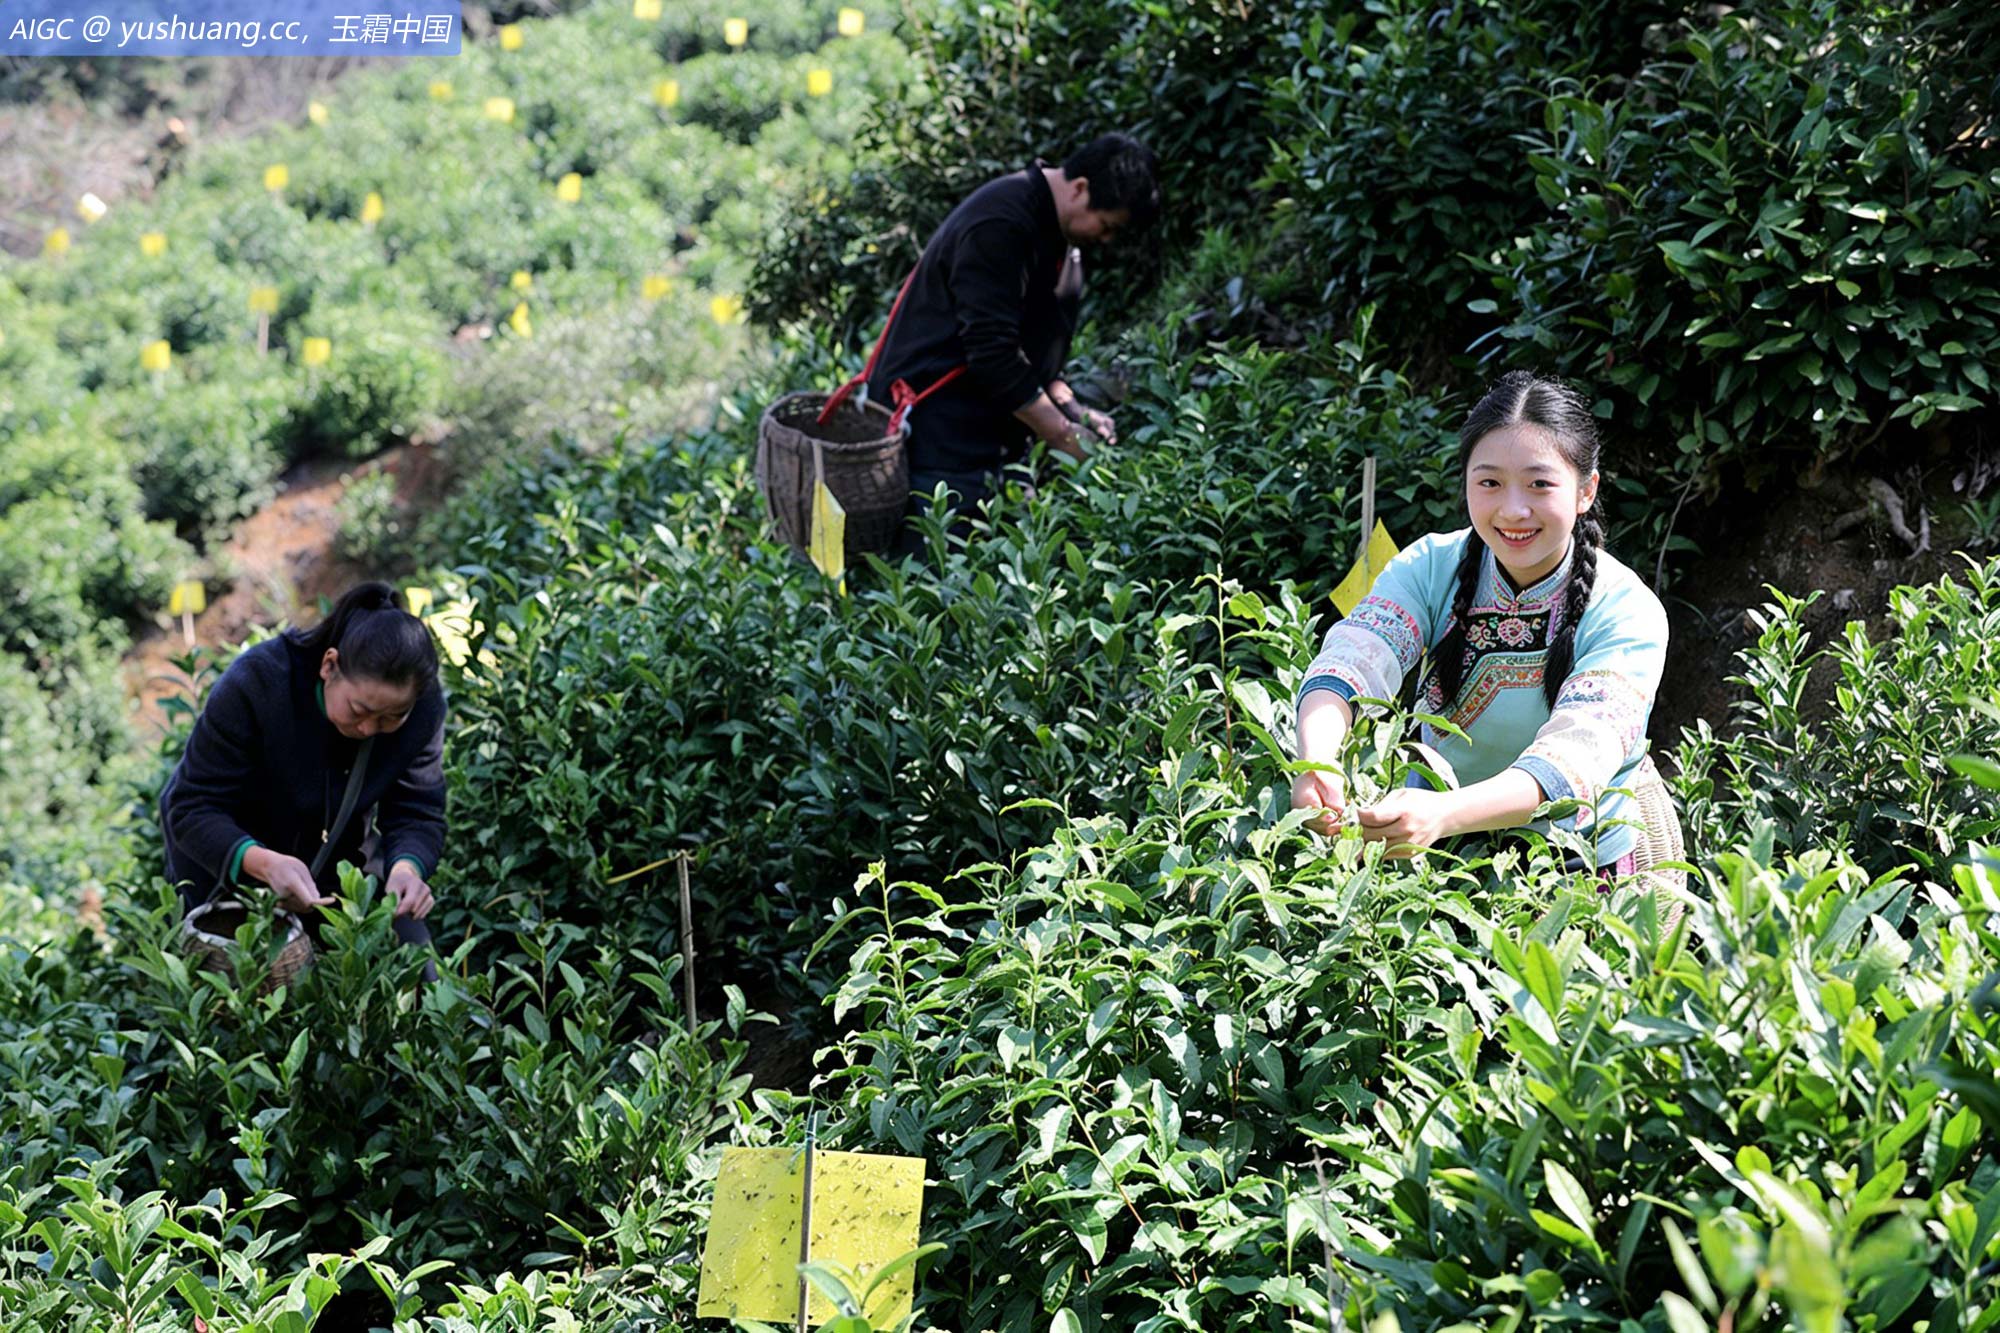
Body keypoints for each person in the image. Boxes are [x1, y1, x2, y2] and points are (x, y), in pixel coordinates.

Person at [1292, 371, 1672, 875]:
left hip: (1574, 861)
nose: (1513, 511)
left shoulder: (1626, 608)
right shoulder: (1429, 566)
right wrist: (1317, 761)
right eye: (1489, 482)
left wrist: (1445, 814)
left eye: (1540, 484)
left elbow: (1579, 755)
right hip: (1436, 852)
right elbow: (1353, 659)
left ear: (1586, 491)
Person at [869, 132, 1161, 554]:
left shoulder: (1059, 239)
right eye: (1107, 226)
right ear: (1081, 188)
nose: (1106, 240)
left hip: (995, 440)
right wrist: (1063, 435)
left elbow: (1034, 354)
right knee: (938, 575)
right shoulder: (1002, 224)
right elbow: (993, 353)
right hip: (941, 442)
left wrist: (1072, 408)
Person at [161, 582, 446, 974]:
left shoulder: (423, 707)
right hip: (230, 863)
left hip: (333, 863)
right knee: (242, 986)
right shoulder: (258, 682)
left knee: (419, 971)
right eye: (359, 710)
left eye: (390, 718)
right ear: (330, 665)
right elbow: (190, 806)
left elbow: (418, 812)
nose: (368, 729)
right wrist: (263, 864)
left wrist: (406, 870)